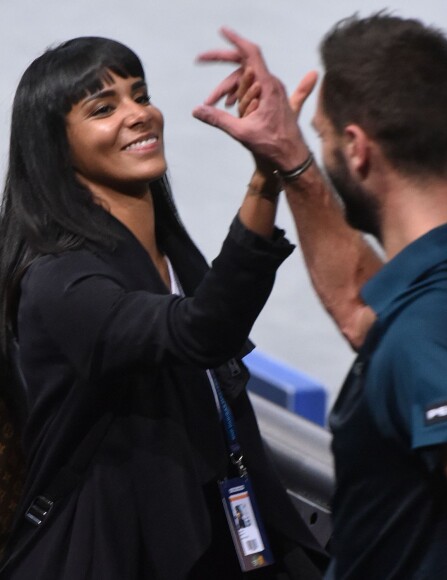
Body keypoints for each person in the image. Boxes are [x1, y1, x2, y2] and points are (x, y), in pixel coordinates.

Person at [192, 12, 447, 579]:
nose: (320, 150)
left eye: (323, 137)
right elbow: (358, 306)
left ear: (357, 149)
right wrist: (290, 157)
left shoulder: (429, 335)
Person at [0, 36, 326, 579]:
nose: (140, 115)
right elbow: (201, 333)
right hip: (111, 553)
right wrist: (267, 176)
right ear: (54, 147)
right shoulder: (58, 282)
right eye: (104, 108)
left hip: (211, 530)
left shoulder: (170, 251)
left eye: (140, 95)